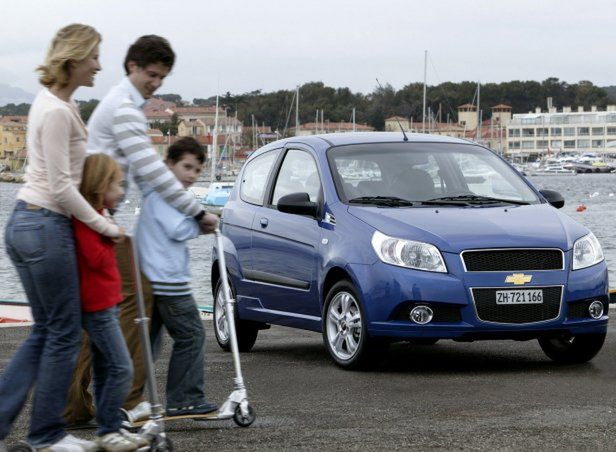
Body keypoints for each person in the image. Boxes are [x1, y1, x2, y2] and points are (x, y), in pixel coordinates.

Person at [64, 35, 218, 426]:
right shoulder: (124, 110)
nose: (155, 84)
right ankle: (127, 401)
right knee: (134, 305)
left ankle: (77, 403)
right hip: (98, 217)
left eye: (162, 78)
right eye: (152, 75)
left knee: (103, 314)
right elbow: (153, 171)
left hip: (100, 217)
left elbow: (144, 174)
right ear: (131, 65)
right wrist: (197, 211)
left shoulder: (121, 106)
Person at [0, 24, 121, 452]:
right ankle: (47, 435)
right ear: (74, 58)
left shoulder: (59, 106)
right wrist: (104, 225)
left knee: (46, 332)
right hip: (43, 225)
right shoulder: (53, 110)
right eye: (94, 57)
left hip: (31, 225)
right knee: (65, 334)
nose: (99, 65)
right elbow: (62, 187)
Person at [73, 154, 148, 451]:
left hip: (108, 304)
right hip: (98, 307)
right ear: (100, 187)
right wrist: (113, 235)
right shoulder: (92, 221)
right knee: (121, 368)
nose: (122, 191)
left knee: (107, 369)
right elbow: (95, 258)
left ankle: (110, 428)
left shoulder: (99, 215)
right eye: (117, 185)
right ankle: (109, 428)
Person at [137, 137, 217, 415]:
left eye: (196, 170)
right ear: (168, 164)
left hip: (156, 277)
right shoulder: (163, 194)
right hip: (167, 280)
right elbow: (176, 230)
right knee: (192, 335)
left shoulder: (159, 193)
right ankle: (184, 398)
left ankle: (130, 401)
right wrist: (201, 225)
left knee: (149, 343)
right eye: (186, 166)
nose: (191, 175)